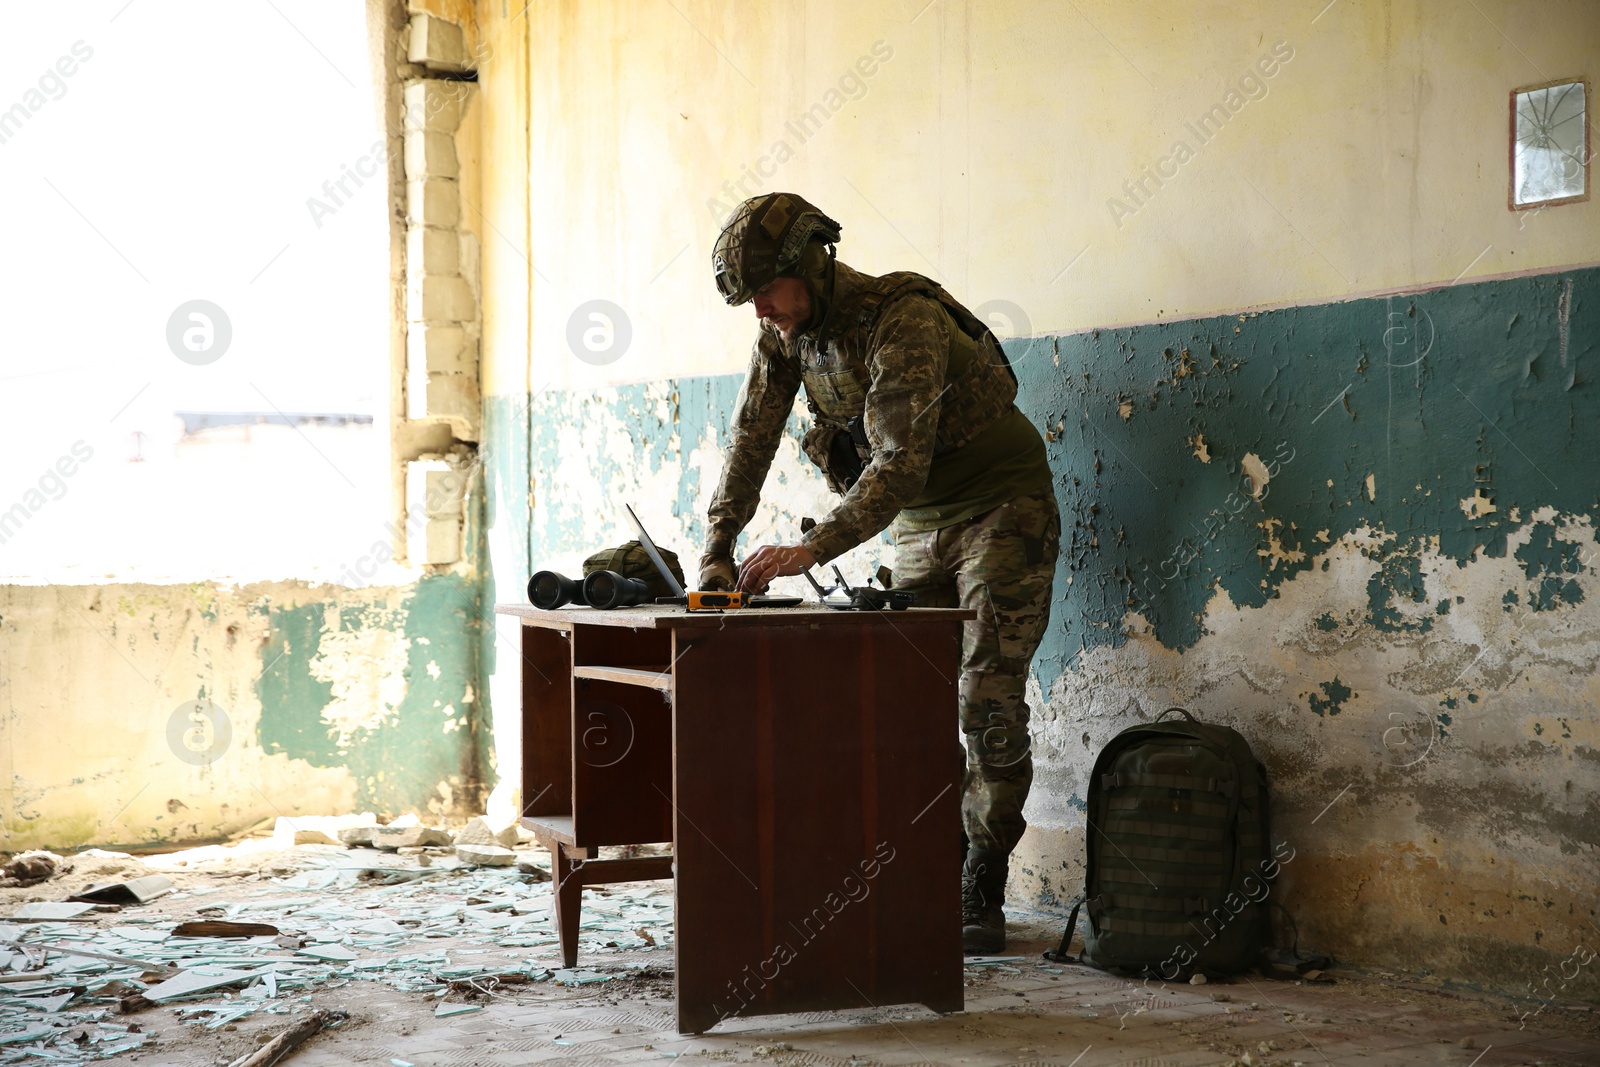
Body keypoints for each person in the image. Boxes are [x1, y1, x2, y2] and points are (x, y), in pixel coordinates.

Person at [698, 192, 1060, 954]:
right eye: (752, 300)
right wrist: (717, 545)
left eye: (768, 290)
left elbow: (898, 462)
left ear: (812, 265)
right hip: (920, 524)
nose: (761, 309)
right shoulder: (786, 334)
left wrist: (811, 548)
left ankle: (982, 882)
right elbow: (750, 440)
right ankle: (934, 864)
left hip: (1002, 510)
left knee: (984, 698)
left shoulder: (903, 316)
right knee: (906, 707)